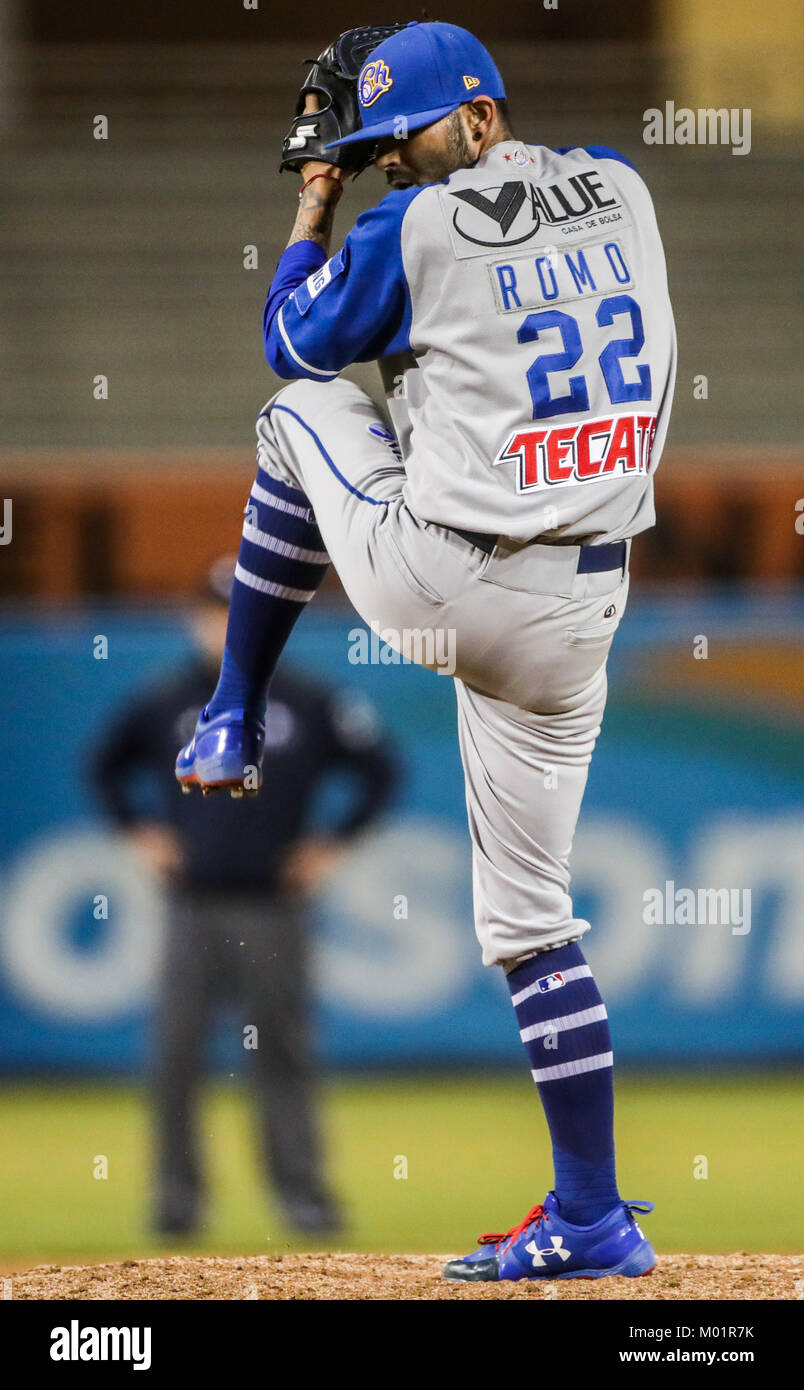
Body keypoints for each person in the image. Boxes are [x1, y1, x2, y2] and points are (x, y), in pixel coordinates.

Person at [176, 22, 676, 1281]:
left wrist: (314, 200)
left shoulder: (410, 228)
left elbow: (291, 341)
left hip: (454, 579)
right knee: (534, 923)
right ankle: (594, 1216)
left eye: (410, 140)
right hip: (588, 611)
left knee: (298, 413)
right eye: (382, 152)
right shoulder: (625, 182)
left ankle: (231, 710)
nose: (401, 164)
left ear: (484, 117)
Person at [92, 556, 399, 1236]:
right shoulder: (166, 701)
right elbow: (103, 766)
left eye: (239, 614)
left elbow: (382, 770)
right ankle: (177, 1203)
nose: (224, 627)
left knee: (281, 1055)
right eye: (214, 613)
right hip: (191, 904)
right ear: (192, 618)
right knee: (175, 1055)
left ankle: (303, 1197)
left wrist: (332, 843)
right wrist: (138, 833)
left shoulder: (308, 699)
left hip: (271, 906)